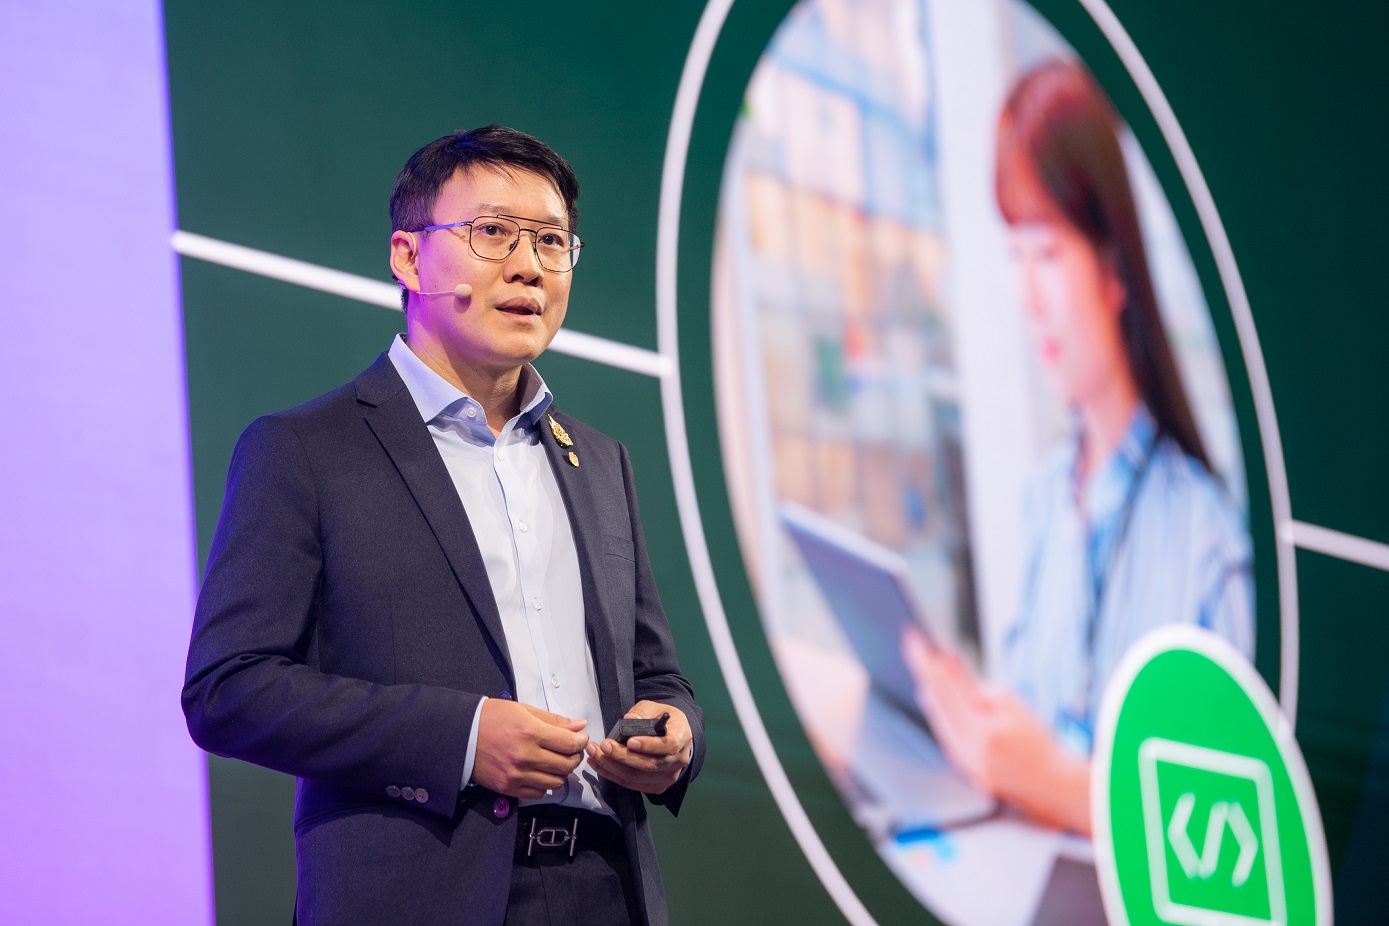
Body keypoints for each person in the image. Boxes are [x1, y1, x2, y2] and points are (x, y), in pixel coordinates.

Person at [182, 125, 704, 926]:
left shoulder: (600, 462)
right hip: (418, 894)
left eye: (552, 241)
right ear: (407, 256)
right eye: (493, 233)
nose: (528, 266)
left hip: (607, 890)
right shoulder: (305, 450)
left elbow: (656, 677)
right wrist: (462, 737)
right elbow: (230, 689)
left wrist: (674, 735)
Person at [903, 60, 1253, 836]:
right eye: (1016, 256)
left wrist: (1055, 781)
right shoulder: (1041, 503)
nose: (1027, 298)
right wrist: (981, 731)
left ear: (1113, 267)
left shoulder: (1210, 540)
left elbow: (1232, 826)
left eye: (1048, 253)